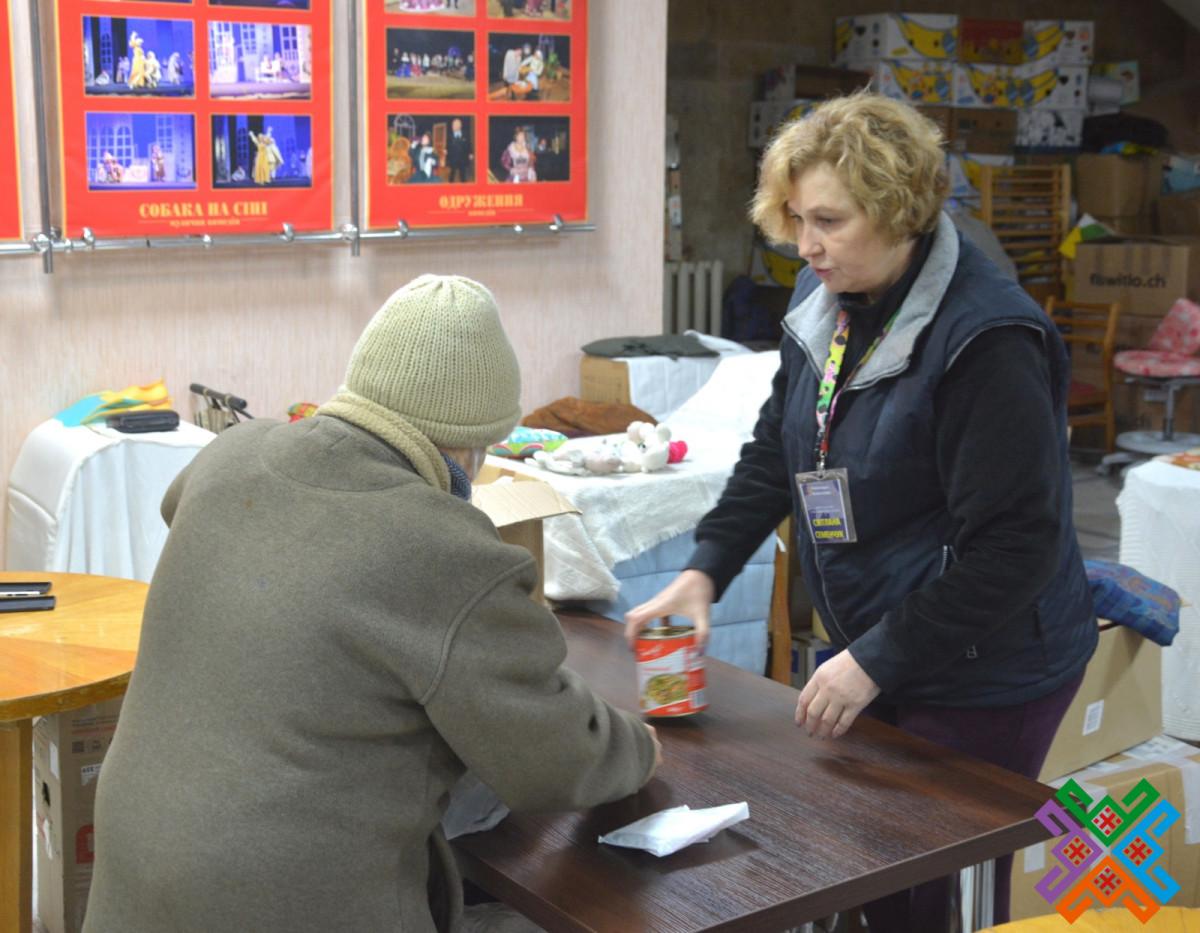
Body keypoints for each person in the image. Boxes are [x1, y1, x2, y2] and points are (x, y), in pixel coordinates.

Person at [624, 91, 1096, 932]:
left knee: (919, 879)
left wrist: (875, 657)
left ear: (901, 210)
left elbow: (1018, 547)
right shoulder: (824, 296)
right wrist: (705, 567)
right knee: (861, 866)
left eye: (830, 222)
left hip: (992, 661)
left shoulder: (988, 341)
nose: (806, 246)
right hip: (890, 634)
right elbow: (778, 447)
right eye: (799, 218)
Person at [84, 275, 660, 933]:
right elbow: (558, 757)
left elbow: (188, 514)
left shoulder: (230, 455)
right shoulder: (440, 543)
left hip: (134, 890)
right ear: (473, 443)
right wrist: (639, 749)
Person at [446, 117, 472, 182]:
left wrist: (471, 153)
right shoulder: (450, 135)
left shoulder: (465, 134)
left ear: (459, 126)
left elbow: (468, 144)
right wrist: (446, 150)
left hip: (462, 157)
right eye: (452, 125)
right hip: (453, 157)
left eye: (454, 125)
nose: (452, 126)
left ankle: (464, 187)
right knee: (452, 174)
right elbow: (447, 145)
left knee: (463, 174)